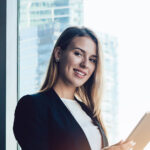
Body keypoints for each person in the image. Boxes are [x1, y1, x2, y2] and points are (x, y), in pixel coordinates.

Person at [13, 26, 135, 150]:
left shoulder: (88, 112)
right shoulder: (33, 105)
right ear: (58, 54)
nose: (85, 64)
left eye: (92, 60)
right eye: (78, 54)